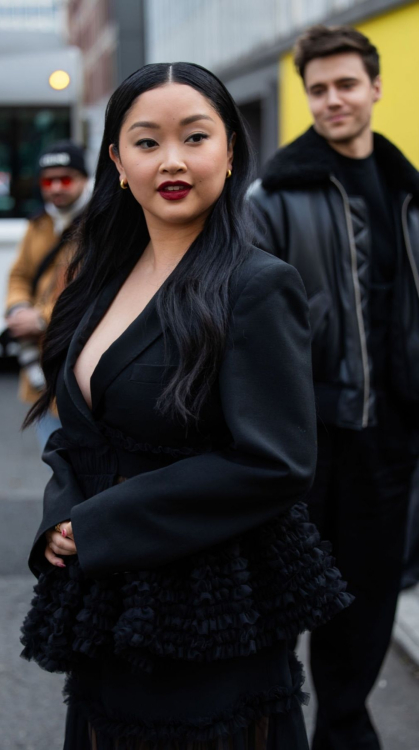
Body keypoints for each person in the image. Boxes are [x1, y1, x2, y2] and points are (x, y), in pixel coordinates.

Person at [20, 62, 351, 750]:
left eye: (195, 137)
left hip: (208, 604)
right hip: (109, 600)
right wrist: (61, 519)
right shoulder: (100, 278)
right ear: (116, 161)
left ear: (230, 150)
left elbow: (275, 461)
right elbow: (77, 432)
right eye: (146, 142)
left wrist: (102, 521)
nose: (172, 160)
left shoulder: (258, 284)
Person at [248, 25, 419, 750]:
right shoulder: (274, 193)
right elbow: (246, 325)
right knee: (278, 606)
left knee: (369, 604)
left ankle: (344, 731)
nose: (332, 100)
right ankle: (272, 727)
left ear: (376, 87)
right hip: (306, 442)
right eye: (317, 89)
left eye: (346, 84)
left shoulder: (410, 190)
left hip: (391, 439)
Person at [5, 141, 90, 449]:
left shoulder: (100, 223)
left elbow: (91, 288)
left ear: (83, 179)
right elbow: (19, 275)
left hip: (76, 356)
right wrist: (17, 309)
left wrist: (41, 320)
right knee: (54, 462)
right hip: (39, 365)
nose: (56, 187)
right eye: (47, 180)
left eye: (66, 179)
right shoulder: (38, 223)